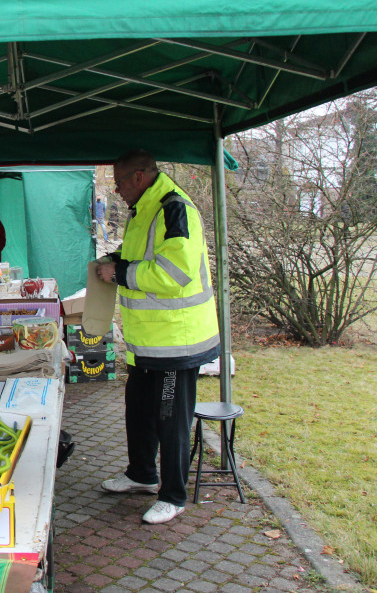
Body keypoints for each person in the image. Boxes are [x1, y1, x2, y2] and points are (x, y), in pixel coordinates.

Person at [94, 149, 220, 526]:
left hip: (176, 344)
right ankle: (142, 475)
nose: (116, 190)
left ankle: (173, 495)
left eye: (118, 182)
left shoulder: (173, 209)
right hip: (148, 343)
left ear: (138, 177)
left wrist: (120, 273)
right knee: (139, 411)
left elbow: (174, 273)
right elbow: (143, 254)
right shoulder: (144, 209)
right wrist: (116, 258)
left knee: (170, 420)